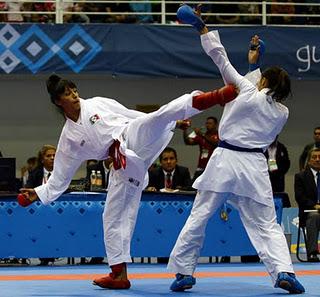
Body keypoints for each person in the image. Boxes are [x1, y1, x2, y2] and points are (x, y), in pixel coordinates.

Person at [18, 74, 237, 289]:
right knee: (112, 217)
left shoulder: (96, 103)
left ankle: (216, 96)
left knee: (156, 117)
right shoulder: (69, 139)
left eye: (74, 90)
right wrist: (36, 193)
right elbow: (59, 178)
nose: (74, 95)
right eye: (67, 93)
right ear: (58, 101)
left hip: (130, 136)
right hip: (122, 168)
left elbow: (130, 114)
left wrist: (172, 122)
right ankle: (119, 274)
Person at [167, 4, 305, 294]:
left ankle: (184, 273)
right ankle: (284, 271)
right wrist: (256, 65)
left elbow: (220, 58)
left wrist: (201, 27)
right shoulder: (283, 112)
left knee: (200, 215)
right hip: (254, 167)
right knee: (266, 223)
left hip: (225, 161)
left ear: (264, 81)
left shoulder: (245, 89)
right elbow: (260, 96)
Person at [25, 144, 56, 266]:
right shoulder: (35, 172)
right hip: (38, 211)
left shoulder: (62, 172)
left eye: (54, 155)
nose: (53, 158)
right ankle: (43, 255)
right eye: (49, 156)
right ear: (42, 159)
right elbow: (28, 188)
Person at [294, 148, 320, 262]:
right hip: (309, 213)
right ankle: (312, 252)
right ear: (309, 161)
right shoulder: (301, 176)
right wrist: (315, 206)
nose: (318, 160)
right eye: (314, 157)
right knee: (315, 216)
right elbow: (300, 197)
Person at [179, 116, 219, 181]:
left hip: (213, 168)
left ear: (216, 125)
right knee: (193, 186)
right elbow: (188, 142)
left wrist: (202, 135)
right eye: (207, 123)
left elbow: (216, 143)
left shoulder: (219, 135)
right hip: (201, 167)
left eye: (210, 123)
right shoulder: (203, 135)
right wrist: (185, 130)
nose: (207, 125)